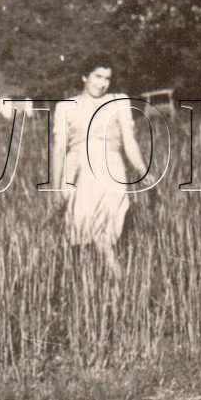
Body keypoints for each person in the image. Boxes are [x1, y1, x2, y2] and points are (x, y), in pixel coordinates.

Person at [50, 56, 148, 278]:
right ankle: (86, 284)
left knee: (103, 233)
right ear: (84, 77)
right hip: (77, 170)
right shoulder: (66, 107)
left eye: (107, 78)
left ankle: (118, 282)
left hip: (110, 169)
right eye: (98, 76)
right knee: (79, 233)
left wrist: (142, 170)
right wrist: (55, 188)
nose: (103, 83)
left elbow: (129, 141)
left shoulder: (119, 101)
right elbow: (59, 149)